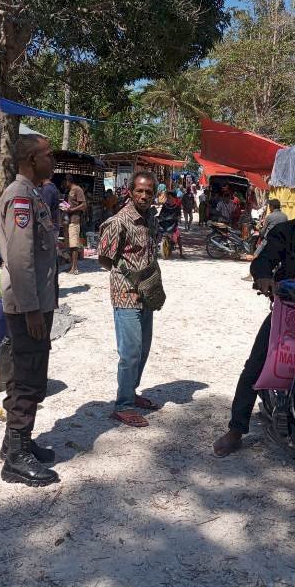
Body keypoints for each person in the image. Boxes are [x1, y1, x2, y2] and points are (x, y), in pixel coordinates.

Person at [0, 135, 59, 487]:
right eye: (48, 155)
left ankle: (14, 443)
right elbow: (20, 260)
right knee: (29, 378)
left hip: (35, 301)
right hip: (27, 305)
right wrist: (32, 309)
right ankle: (15, 460)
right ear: (32, 159)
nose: (52, 160)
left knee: (30, 372)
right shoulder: (21, 196)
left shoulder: (33, 193)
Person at [213, 218, 295, 458]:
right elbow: (262, 261)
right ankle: (236, 430)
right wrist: (263, 276)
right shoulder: (286, 231)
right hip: (289, 312)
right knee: (255, 366)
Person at [98, 171, 164, 427]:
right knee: (130, 352)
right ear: (130, 191)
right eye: (139, 190)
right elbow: (104, 258)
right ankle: (122, 405)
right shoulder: (119, 221)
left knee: (143, 348)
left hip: (146, 294)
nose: (144, 195)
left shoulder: (149, 219)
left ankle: (131, 392)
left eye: (149, 191)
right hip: (126, 294)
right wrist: (126, 278)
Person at [65, 174, 87, 274]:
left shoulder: (78, 190)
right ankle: (72, 266)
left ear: (69, 181)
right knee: (71, 244)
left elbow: (83, 204)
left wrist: (72, 209)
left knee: (74, 244)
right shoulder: (70, 191)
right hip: (70, 219)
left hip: (75, 219)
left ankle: (75, 268)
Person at [158, 190, 183, 257]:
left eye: (169, 197)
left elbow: (179, 215)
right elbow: (161, 214)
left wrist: (178, 218)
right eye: (167, 197)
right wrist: (159, 217)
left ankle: (181, 254)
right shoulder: (165, 206)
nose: (168, 199)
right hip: (164, 223)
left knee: (179, 238)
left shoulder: (177, 207)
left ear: (174, 198)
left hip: (173, 224)